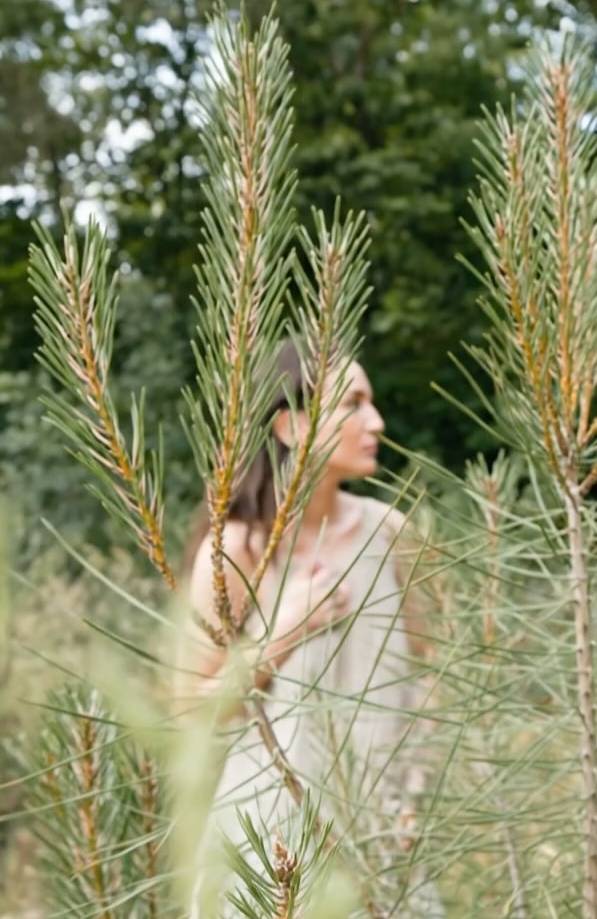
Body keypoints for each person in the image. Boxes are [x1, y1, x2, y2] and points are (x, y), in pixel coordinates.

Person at [179, 339, 443, 918]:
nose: (375, 420)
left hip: (381, 843)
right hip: (269, 852)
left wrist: (416, 787)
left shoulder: (393, 533)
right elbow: (192, 707)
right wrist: (283, 633)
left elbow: (430, 673)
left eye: (370, 402)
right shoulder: (235, 551)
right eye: (352, 404)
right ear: (290, 425)